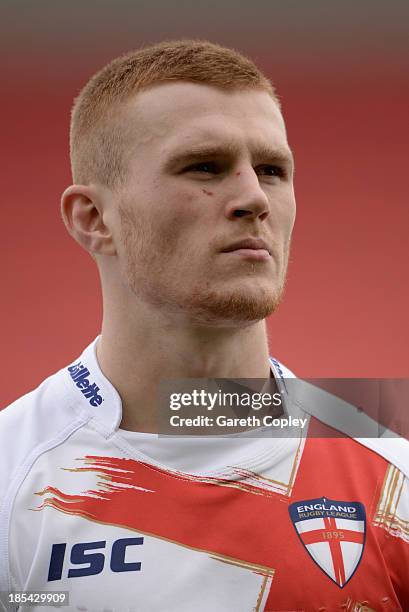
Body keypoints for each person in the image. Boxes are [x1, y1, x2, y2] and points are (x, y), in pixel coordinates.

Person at [0, 40, 407, 611]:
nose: (253, 198)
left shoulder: (393, 470)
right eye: (204, 167)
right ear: (94, 219)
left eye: (272, 170)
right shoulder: (11, 478)